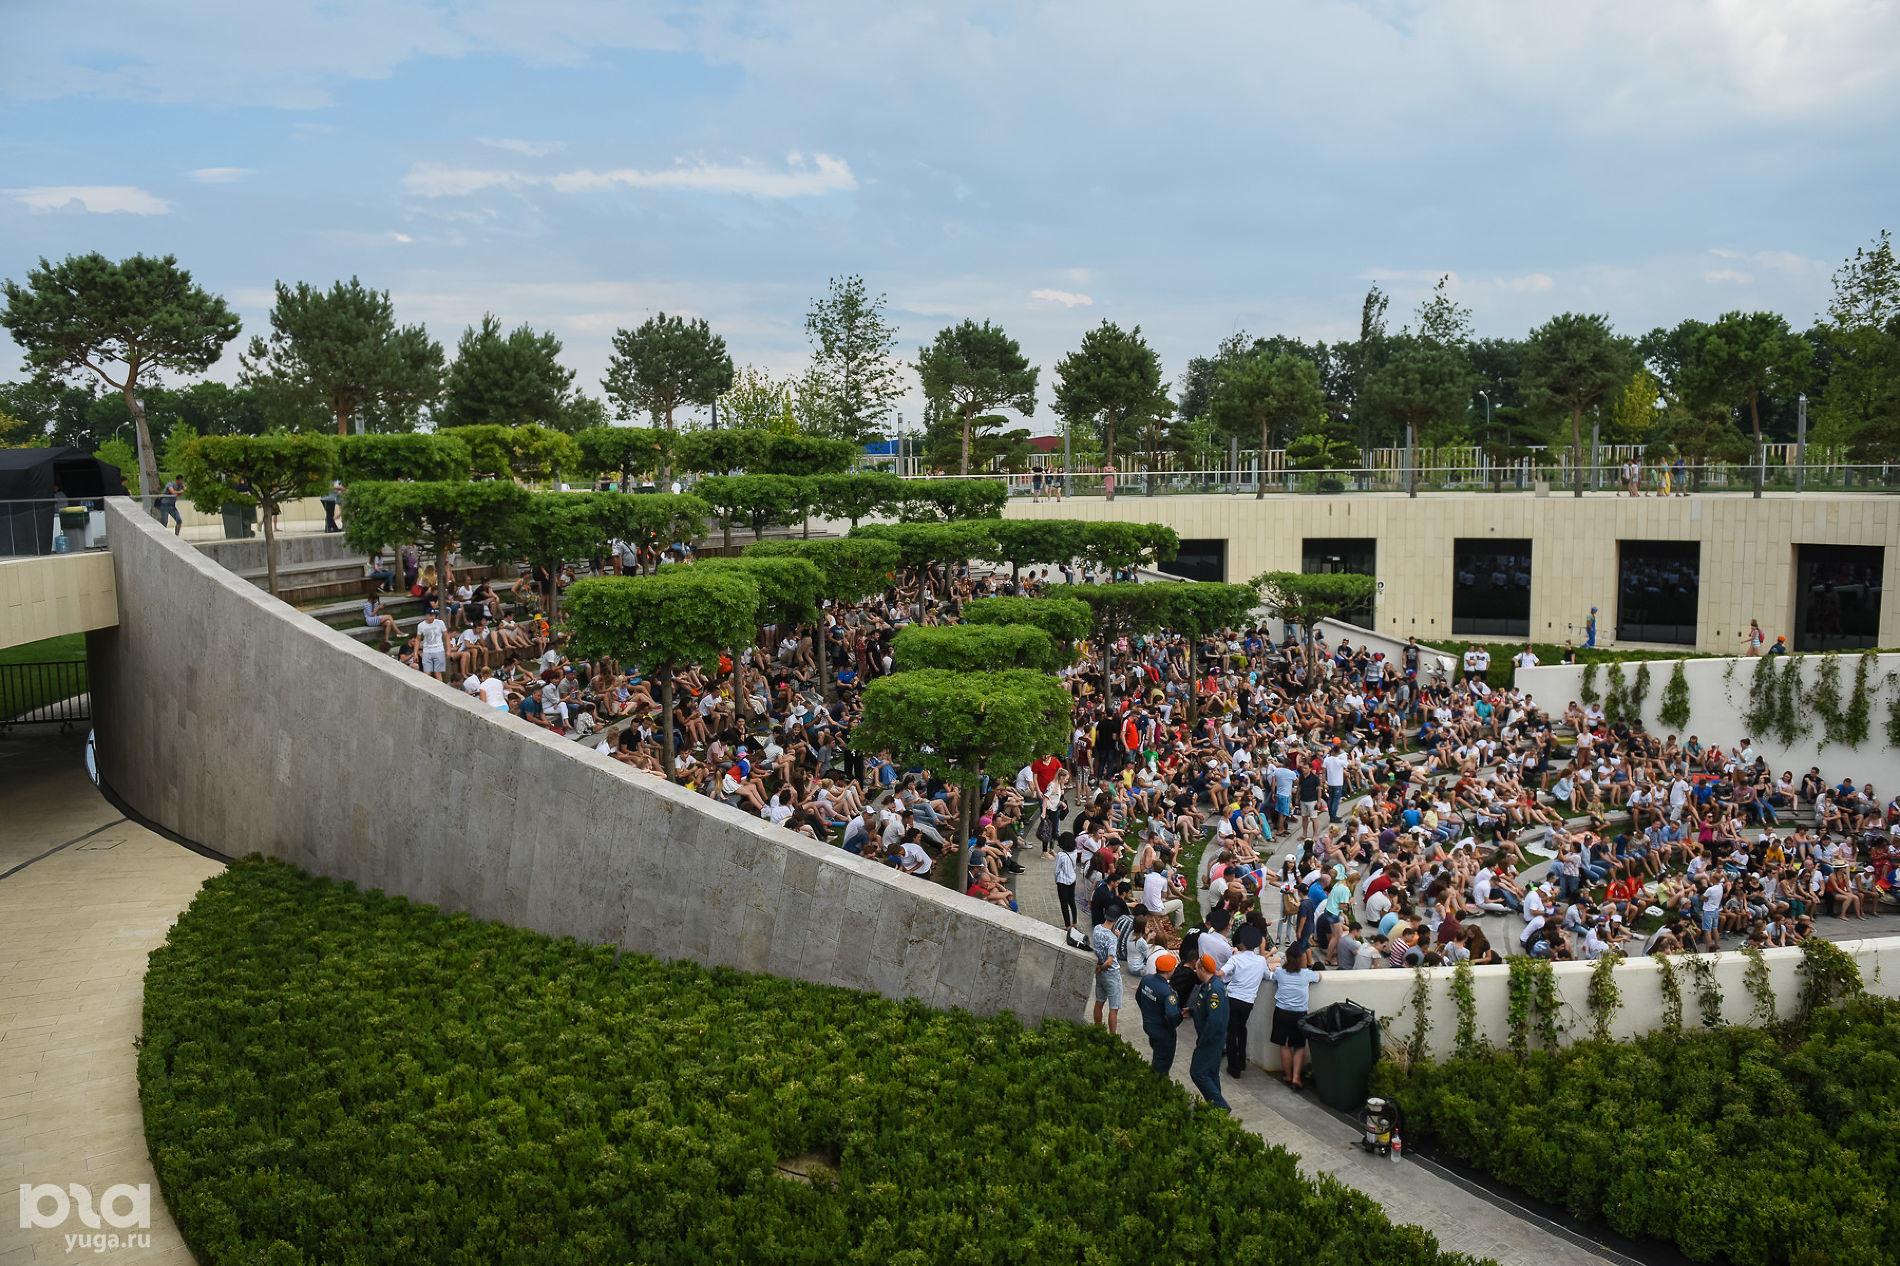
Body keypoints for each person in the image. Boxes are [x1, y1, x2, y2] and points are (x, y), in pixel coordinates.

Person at [1269, 944, 1323, 1090]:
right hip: (1300, 1013)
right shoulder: (1306, 974)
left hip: (1282, 1012)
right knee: (1299, 1046)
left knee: (1285, 1045)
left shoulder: (1280, 972)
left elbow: (1273, 979)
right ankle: (1296, 1078)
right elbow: (1319, 976)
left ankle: (1287, 1076)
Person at [1222, 925, 1268, 1077]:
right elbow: (1268, 975)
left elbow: (1222, 973)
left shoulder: (1236, 958)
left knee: (1231, 1032)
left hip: (1233, 998)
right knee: (1242, 1029)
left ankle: (1233, 1067)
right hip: (1248, 1002)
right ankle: (1242, 1061)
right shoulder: (1261, 961)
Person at [1188, 953, 1229, 1109]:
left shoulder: (1214, 990)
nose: (1195, 971)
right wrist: (1192, 1011)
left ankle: (1221, 1107)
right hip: (1212, 1038)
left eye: (1197, 968)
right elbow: (1203, 1008)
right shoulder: (1208, 985)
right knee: (1211, 1073)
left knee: (1197, 1072)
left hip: (1211, 1039)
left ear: (1202, 970)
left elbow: (1215, 1020)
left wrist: (1204, 1041)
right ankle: (1215, 1110)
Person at [1135, 951, 1185, 1076]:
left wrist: (1148, 1012)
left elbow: (1138, 997)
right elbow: (1173, 1015)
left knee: (1157, 1054)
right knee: (1162, 1065)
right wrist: (1179, 1018)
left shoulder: (1146, 979)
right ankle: (1157, 1083)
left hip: (1149, 1025)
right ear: (1169, 971)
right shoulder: (1167, 992)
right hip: (1163, 1033)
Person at [1091, 907, 1122, 1034]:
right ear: (1116, 920)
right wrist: (1101, 967)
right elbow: (1109, 962)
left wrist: (1099, 968)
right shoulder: (1112, 938)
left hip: (1100, 974)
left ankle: (1097, 1031)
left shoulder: (1097, 929)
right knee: (1114, 1008)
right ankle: (1112, 1037)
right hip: (1112, 974)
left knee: (1099, 1002)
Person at [416, 609, 449, 681]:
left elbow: (446, 636)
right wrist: (415, 653)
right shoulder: (421, 625)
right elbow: (418, 639)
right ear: (426, 615)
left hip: (439, 650)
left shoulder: (440, 623)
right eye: (431, 615)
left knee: (438, 673)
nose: (433, 617)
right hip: (427, 651)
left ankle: (440, 687)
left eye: (434, 615)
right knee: (427, 674)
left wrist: (448, 650)